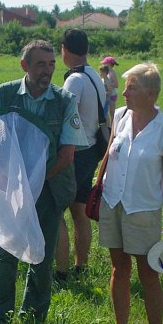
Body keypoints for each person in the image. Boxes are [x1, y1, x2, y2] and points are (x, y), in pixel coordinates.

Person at [0, 40, 80, 324]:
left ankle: (32, 319)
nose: (48, 71)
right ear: (24, 65)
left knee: (41, 256)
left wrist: (33, 182)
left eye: (51, 64)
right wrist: (9, 180)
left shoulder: (65, 100)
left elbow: (67, 154)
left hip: (50, 189)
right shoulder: (4, 94)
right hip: (11, 190)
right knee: (4, 252)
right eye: (41, 64)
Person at [98, 63, 163, 324]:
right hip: (113, 201)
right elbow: (109, 154)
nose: (124, 93)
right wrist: (97, 187)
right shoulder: (120, 116)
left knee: (148, 273)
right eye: (126, 88)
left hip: (143, 209)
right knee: (118, 268)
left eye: (131, 89)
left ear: (151, 94)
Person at [55, 28, 108, 280]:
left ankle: (61, 270)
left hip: (75, 151)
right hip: (92, 148)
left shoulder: (74, 80)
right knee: (80, 210)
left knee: (56, 210)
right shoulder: (94, 74)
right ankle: (81, 265)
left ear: (64, 50)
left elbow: (65, 115)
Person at [98, 56, 119, 121]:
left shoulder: (112, 73)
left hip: (112, 94)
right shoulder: (108, 73)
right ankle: (110, 125)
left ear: (109, 64)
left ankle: (113, 125)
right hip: (108, 95)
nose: (103, 64)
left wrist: (108, 84)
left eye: (105, 63)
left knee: (112, 113)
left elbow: (116, 85)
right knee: (107, 112)